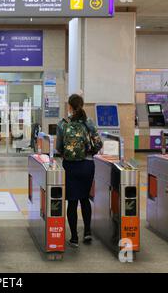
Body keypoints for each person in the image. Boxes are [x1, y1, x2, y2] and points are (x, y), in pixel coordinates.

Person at [56, 94, 102, 248]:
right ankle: (87, 232)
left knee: (72, 201)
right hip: (87, 165)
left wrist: (67, 154)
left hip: (70, 166)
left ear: (69, 106)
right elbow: (98, 143)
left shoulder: (63, 124)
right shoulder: (88, 122)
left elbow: (58, 147)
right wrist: (90, 152)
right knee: (84, 199)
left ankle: (74, 237)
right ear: (82, 105)